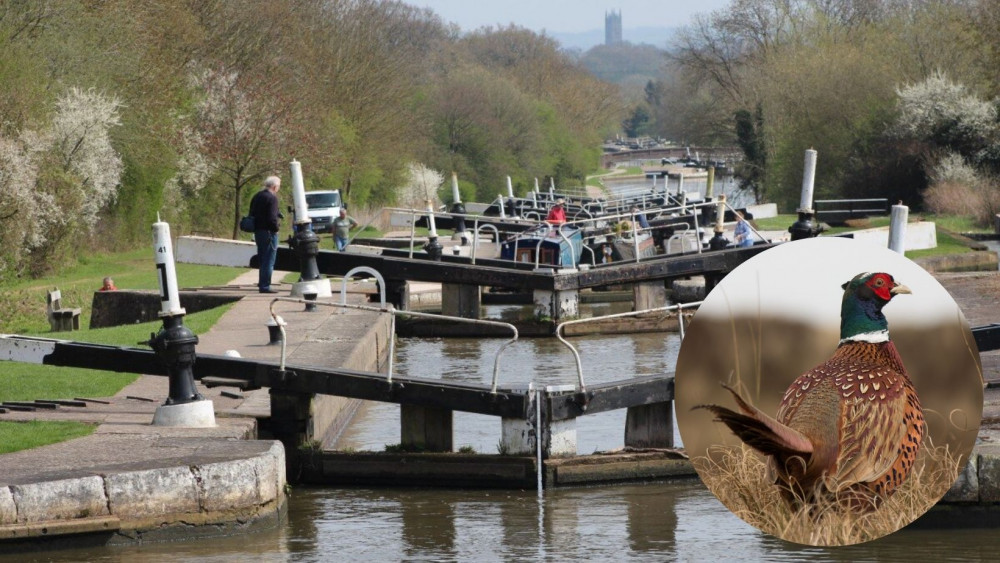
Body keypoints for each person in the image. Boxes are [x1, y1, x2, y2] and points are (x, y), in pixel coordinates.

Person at [249, 175, 282, 293]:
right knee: (269, 260)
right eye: (278, 186)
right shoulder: (272, 198)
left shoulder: (257, 196)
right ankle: (265, 285)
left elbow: (251, 213)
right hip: (269, 232)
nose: (278, 188)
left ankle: (261, 282)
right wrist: (276, 228)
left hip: (258, 231)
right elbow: (272, 218)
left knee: (262, 258)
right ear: (274, 186)